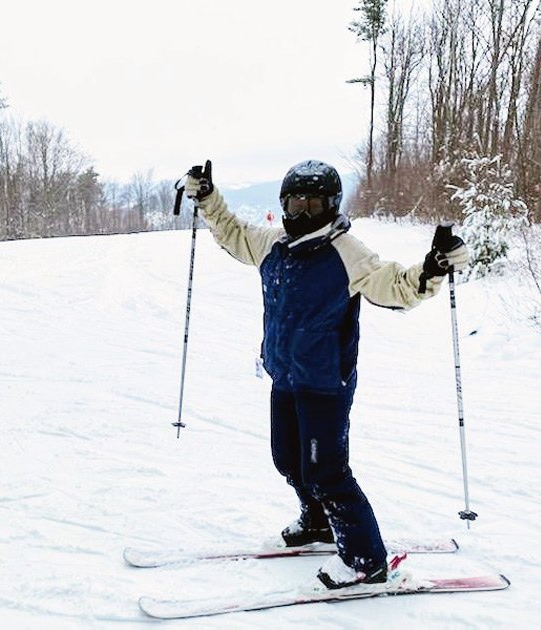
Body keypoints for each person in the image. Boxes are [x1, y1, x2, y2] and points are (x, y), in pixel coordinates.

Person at [182, 159, 469, 589]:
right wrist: (208, 197)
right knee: (288, 459)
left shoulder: (347, 252)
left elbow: (395, 285)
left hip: (325, 382)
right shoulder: (274, 243)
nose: (303, 213)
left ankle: (365, 561)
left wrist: (431, 269)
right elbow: (234, 233)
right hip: (285, 375)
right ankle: (317, 521)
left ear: (331, 205)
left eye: (314, 204)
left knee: (328, 472)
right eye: (295, 203)